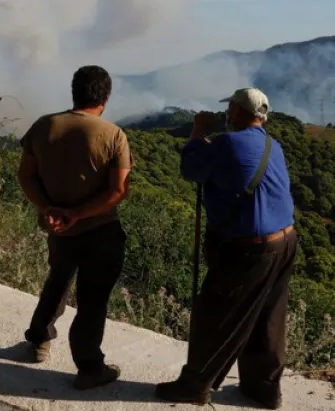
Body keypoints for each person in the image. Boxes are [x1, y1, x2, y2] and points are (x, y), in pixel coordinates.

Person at [155, 87, 297, 409]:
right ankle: (263, 390)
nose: (227, 114)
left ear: (235, 111)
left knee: (215, 314)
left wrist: (197, 132)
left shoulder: (227, 142)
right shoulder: (273, 146)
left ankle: (195, 384)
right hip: (286, 241)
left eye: (230, 109)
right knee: (267, 318)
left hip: (250, 249)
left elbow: (190, 169)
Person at [17, 65, 133, 390]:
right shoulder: (113, 135)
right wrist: (78, 214)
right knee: (92, 300)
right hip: (101, 231)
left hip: (58, 229)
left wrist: (50, 209)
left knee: (57, 281)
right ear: (105, 97)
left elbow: (26, 176)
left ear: (74, 91)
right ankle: (89, 367)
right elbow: (118, 191)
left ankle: (39, 339)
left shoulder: (43, 127)